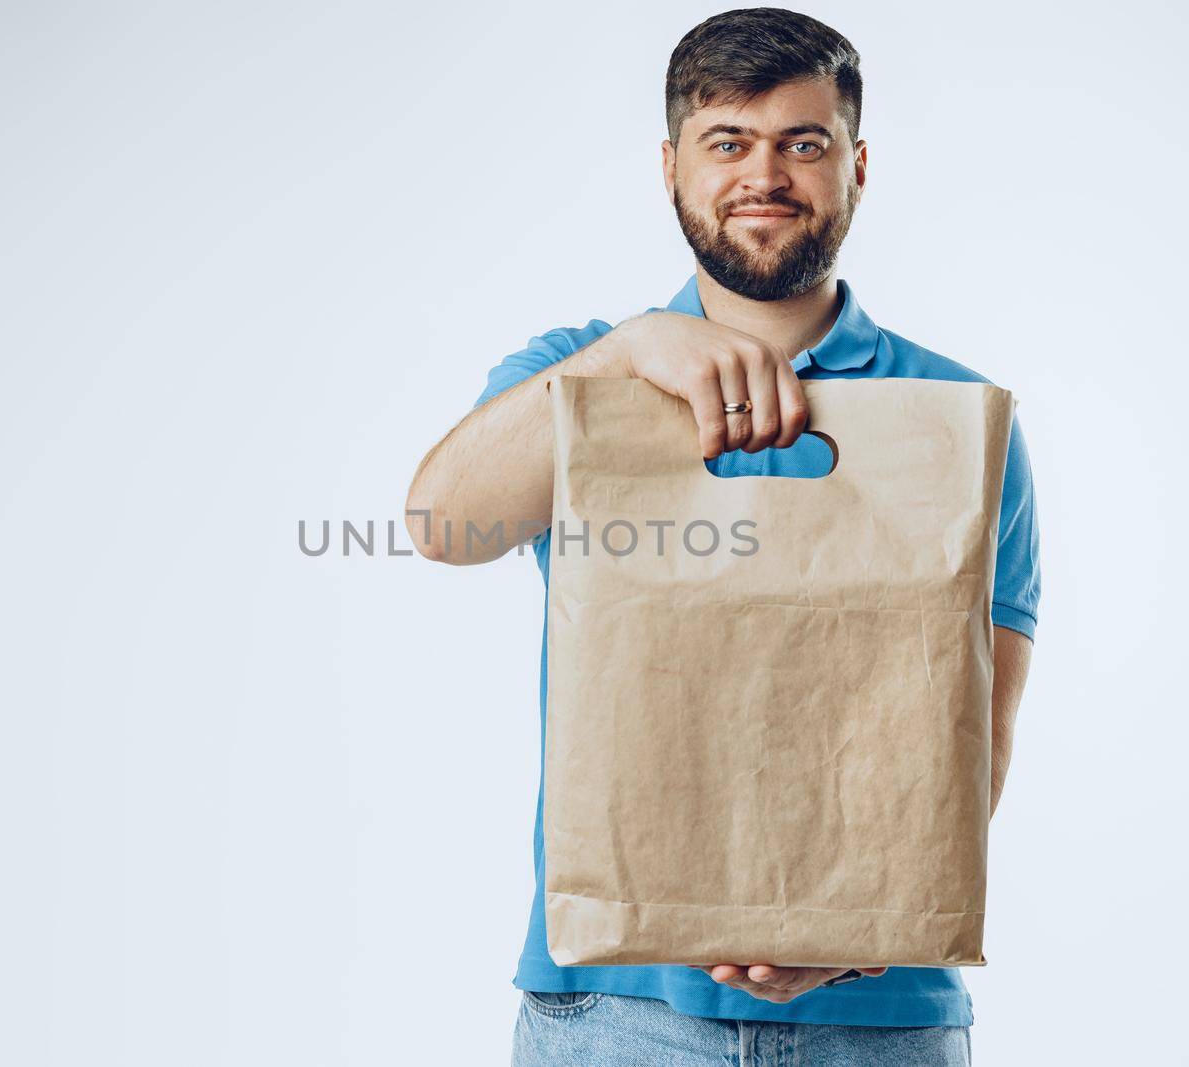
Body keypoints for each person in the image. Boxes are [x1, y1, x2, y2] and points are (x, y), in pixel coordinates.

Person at [404, 8, 1039, 1064]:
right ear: (670, 168)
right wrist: (631, 351)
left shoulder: (956, 417)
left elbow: (977, 732)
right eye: (726, 142)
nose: (765, 174)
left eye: (803, 142)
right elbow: (442, 524)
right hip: (607, 1012)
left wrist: (852, 930)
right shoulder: (581, 373)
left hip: (876, 1020)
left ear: (856, 164)